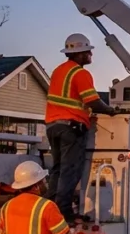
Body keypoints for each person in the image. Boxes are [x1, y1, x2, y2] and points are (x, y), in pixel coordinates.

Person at [45, 33, 123, 222]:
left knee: (56, 169)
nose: (90, 55)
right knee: (70, 170)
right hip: (71, 127)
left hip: (52, 125)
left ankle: (50, 209)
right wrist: (112, 111)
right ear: (79, 53)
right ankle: (64, 212)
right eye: (88, 51)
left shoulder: (58, 71)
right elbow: (93, 102)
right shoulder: (81, 73)